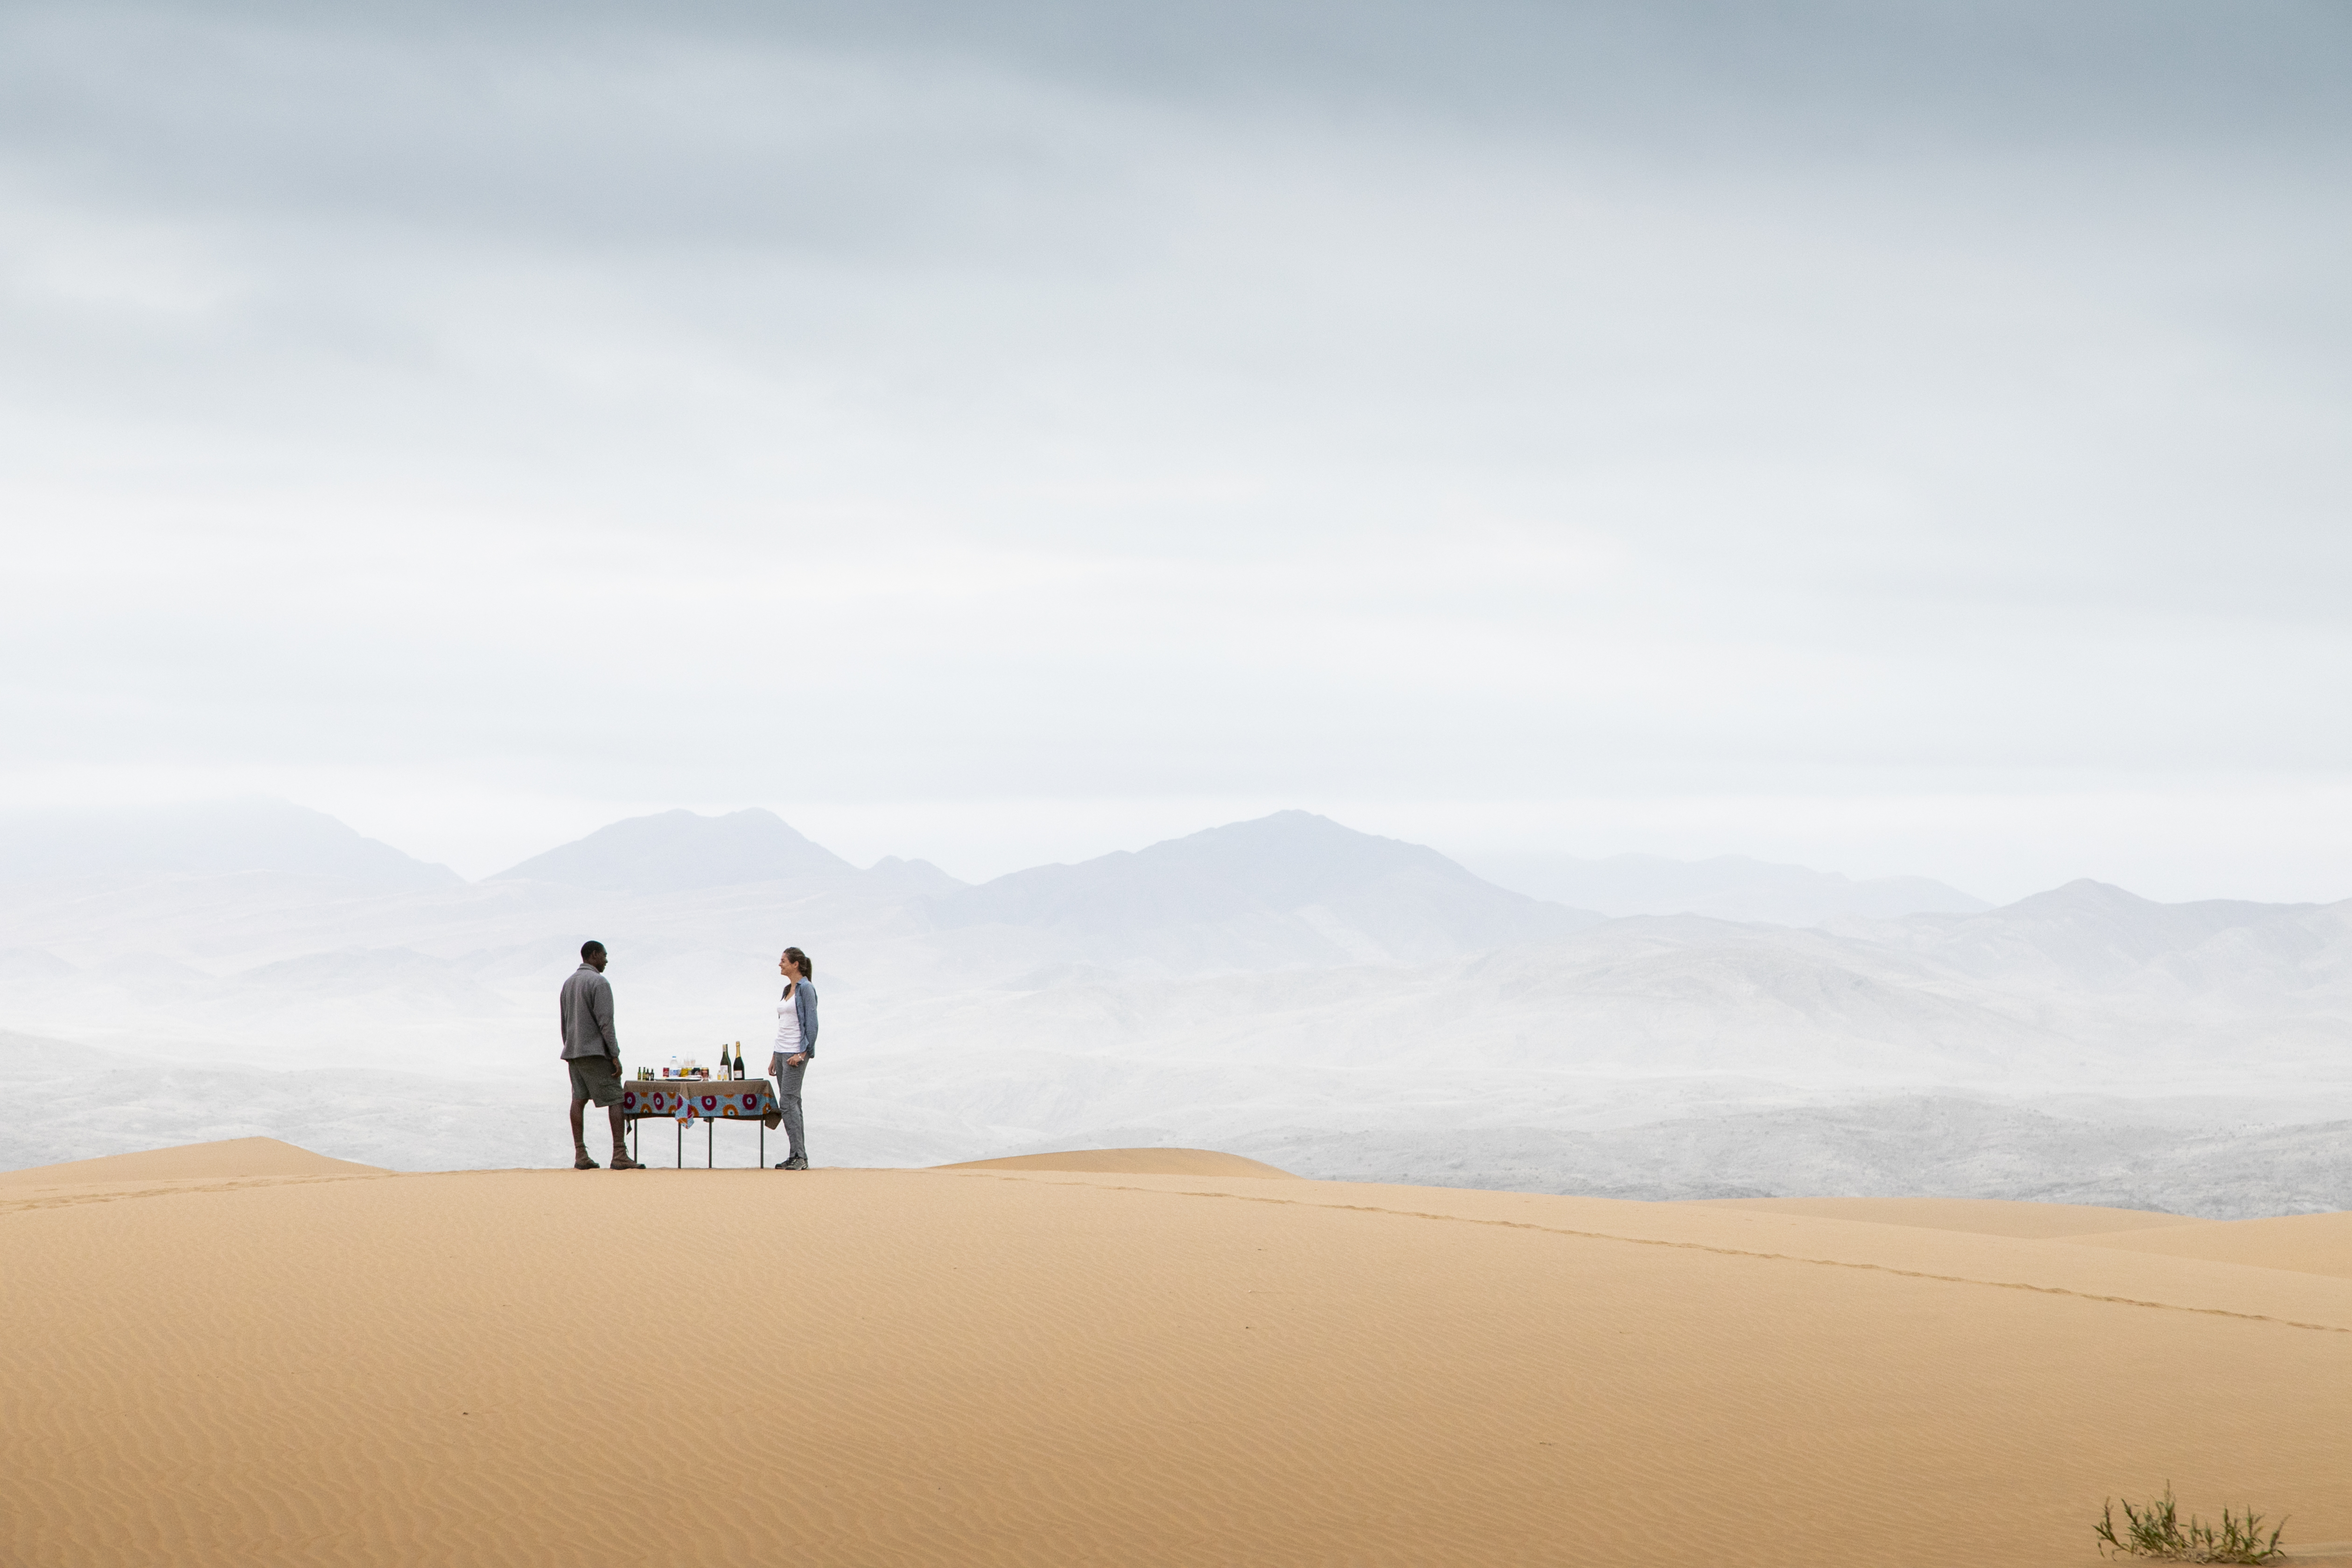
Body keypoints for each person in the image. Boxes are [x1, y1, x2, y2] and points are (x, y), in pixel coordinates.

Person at [560, 939, 643, 1170]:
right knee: (616, 1098)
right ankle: (619, 1154)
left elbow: (564, 1023)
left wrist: (570, 1048)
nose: (607, 960)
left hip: (574, 1052)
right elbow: (606, 1023)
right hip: (596, 1053)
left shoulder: (569, 984)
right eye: (604, 955)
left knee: (579, 1099)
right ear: (594, 955)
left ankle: (581, 1155)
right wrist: (614, 1055)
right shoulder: (599, 983)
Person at [769, 945, 818, 1170]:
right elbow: (784, 1025)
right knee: (791, 1103)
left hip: (795, 1054)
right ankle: (795, 1155)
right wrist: (774, 1056)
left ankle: (800, 1157)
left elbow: (812, 1024)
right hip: (782, 1052)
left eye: (783, 961)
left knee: (788, 1102)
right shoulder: (787, 989)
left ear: (795, 964)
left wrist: (803, 1053)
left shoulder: (806, 989)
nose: (780, 964)